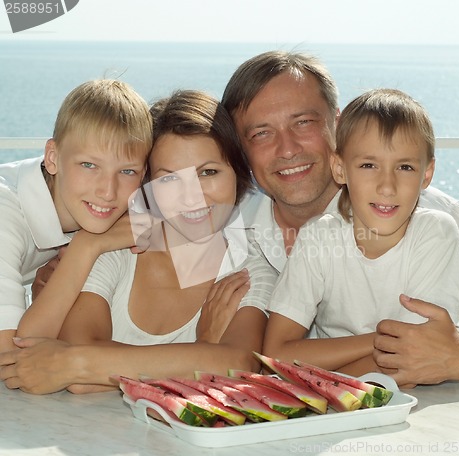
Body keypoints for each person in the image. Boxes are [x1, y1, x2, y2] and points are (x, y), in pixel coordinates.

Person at [222, 50, 459, 384]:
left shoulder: (439, 219)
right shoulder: (227, 232)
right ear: (240, 149)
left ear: (336, 125)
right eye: (261, 133)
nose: (288, 148)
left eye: (303, 122)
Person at [0, 90, 273, 394]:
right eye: (169, 179)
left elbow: (238, 364)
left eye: (208, 172)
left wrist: (76, 364)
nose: (192, 195)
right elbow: (63, 368)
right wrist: (202, 351)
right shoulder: (113, 246)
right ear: (148, 186)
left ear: (238, 174)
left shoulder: (249, 270)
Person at [262, 88, 459, 374]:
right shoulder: (318, 238)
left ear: (427, 174)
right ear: (340, 169)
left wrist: (324, 372)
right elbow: (276, 354)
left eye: (405, 167)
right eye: (368, 165)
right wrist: (377, 341)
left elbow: (416, 359)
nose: (386, 186)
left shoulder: (436, 233)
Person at [0, 79, 152, 353]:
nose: (108, 191)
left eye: (127, 171)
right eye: (89, 165)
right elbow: (10, 356)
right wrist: (86, 247)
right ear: (53, 157)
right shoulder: (5, 211)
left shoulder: (92, 208)